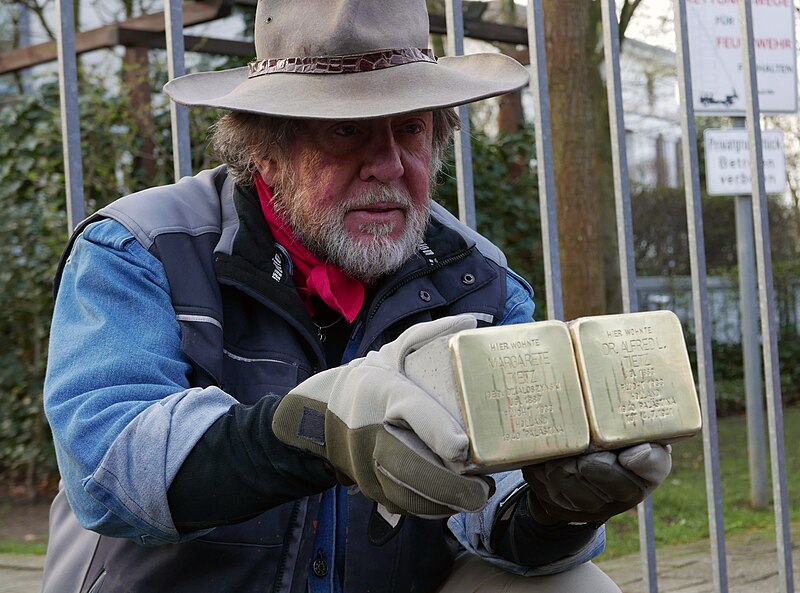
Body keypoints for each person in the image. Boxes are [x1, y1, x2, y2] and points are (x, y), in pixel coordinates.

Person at [41, 1, 671, 592]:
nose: (389, 164)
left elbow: (491, 518)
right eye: (346, 130)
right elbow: (110, 469)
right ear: (265, 145)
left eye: (411, 129)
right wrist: (314, 432)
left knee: (574, 585)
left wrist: (552, 512)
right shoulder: (140, 249)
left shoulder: (478, 283)